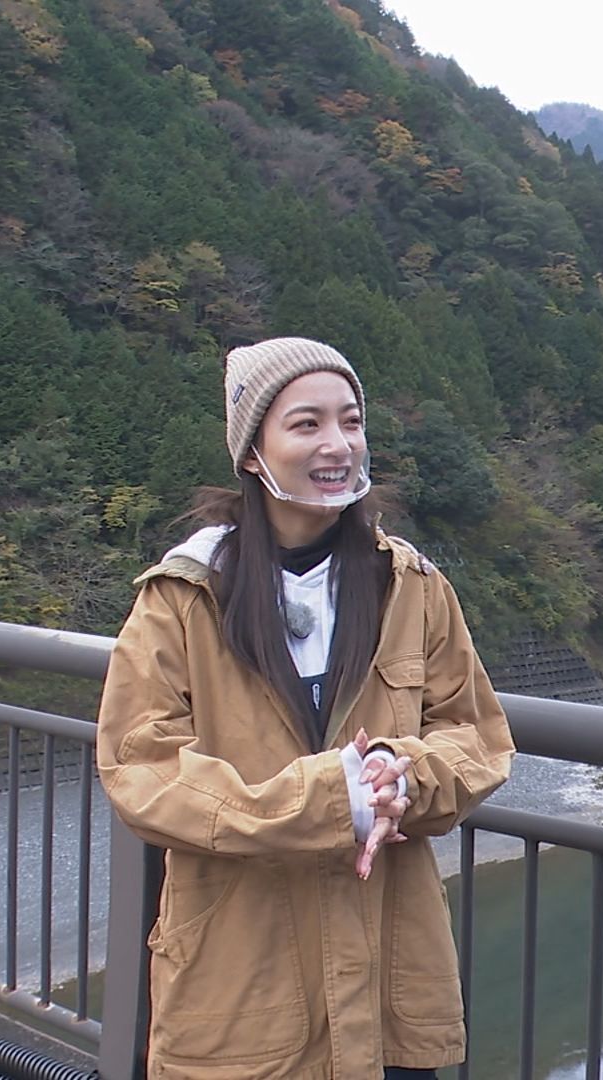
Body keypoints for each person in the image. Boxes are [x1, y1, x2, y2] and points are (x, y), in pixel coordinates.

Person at [97, 336, 515, 1078]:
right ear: (253, 451)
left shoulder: (411, 586)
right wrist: (324, 799)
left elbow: (475, 735)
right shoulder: (184, 596)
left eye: (351, 422)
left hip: (390, 977)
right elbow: (141, 768)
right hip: (242, 986)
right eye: (306, 424)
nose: (337, 445)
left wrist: (401, 775)